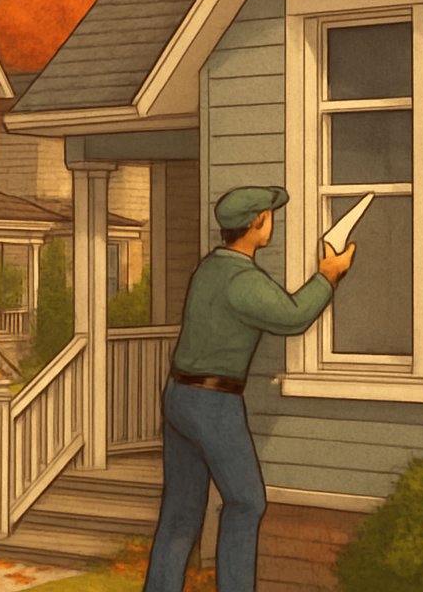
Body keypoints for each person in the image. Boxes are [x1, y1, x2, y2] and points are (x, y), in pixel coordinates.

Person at [143, 186, 355, 592]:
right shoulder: (243, 279)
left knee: (181, 514)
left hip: (179, 396)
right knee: (246, 502)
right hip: (212, 403)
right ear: (257, 221)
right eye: (269, 215)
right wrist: (328, 275)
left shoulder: (209, 268)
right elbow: (292, 317)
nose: (272, 221)